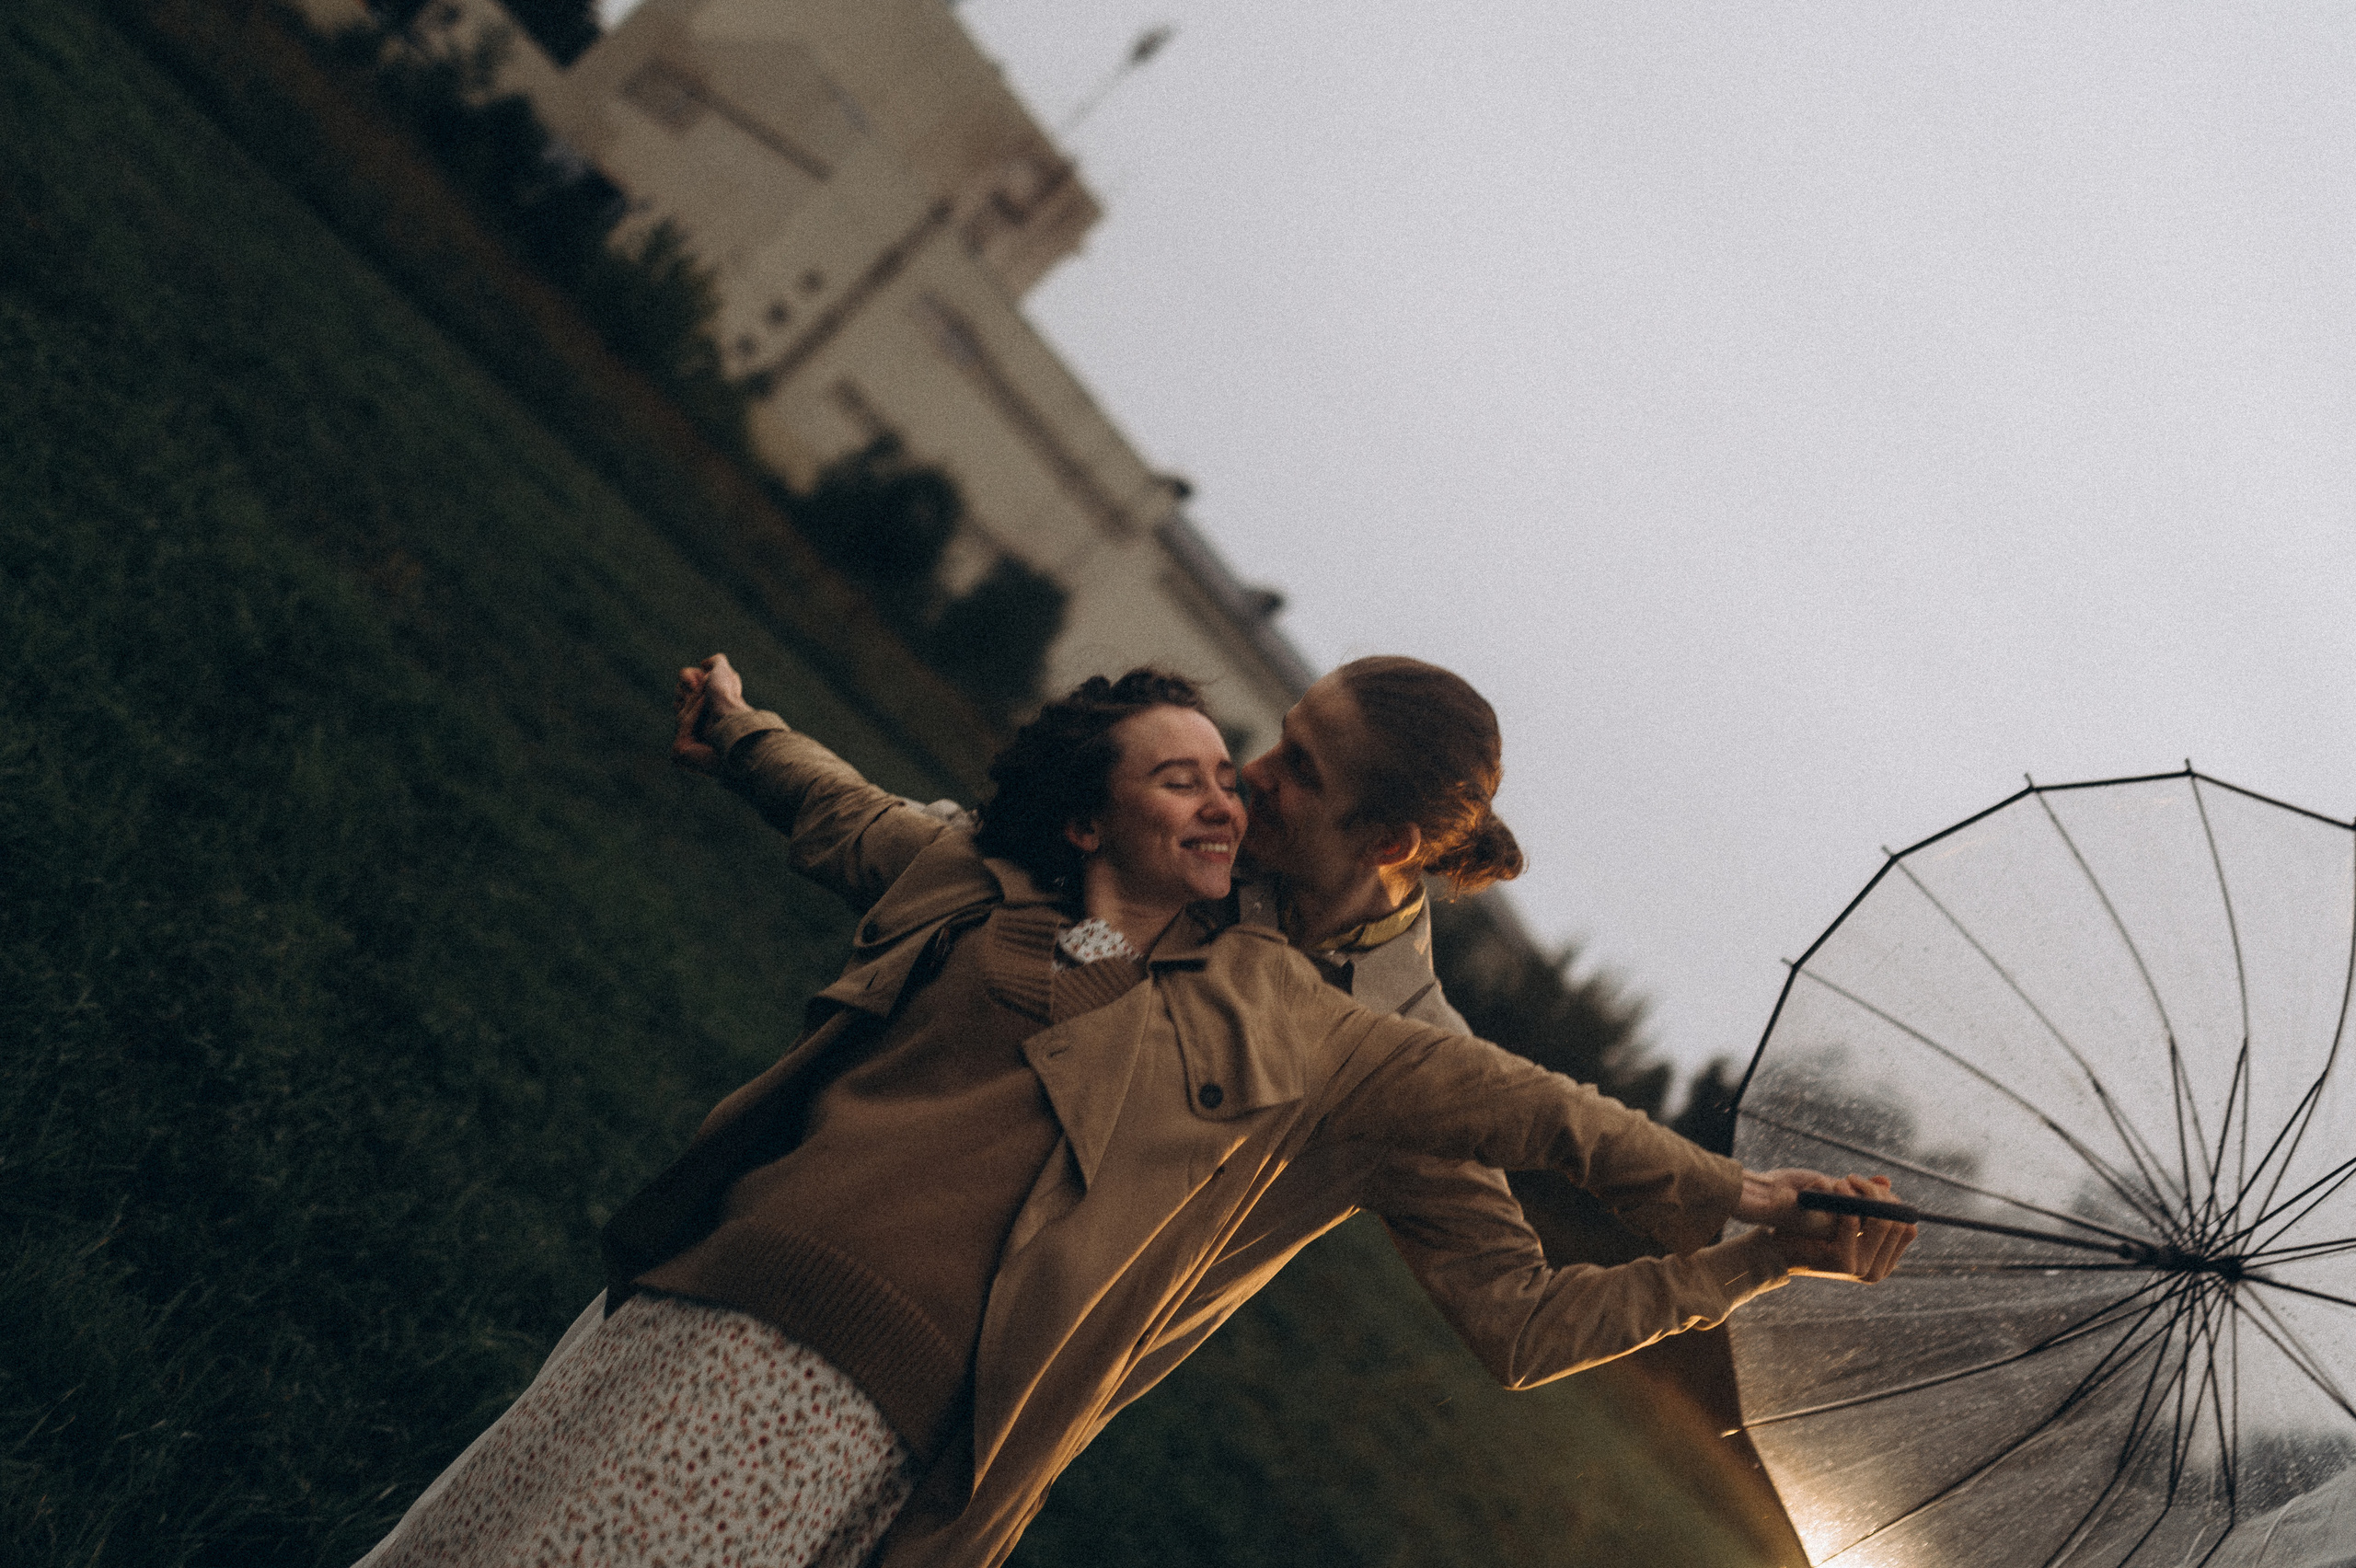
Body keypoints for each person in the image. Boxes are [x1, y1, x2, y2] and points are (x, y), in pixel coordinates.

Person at [360, 660, 1910, 1568]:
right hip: (778, 1278)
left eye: (1299, 771)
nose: (1250, 769)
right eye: (1270, 736)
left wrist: (1747, 1254)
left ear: (1387, 841)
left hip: (962, 1409)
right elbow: (931, 854)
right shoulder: (1179, 861)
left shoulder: (1391, 1051)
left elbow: (1524, 1318)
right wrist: (753, 744)